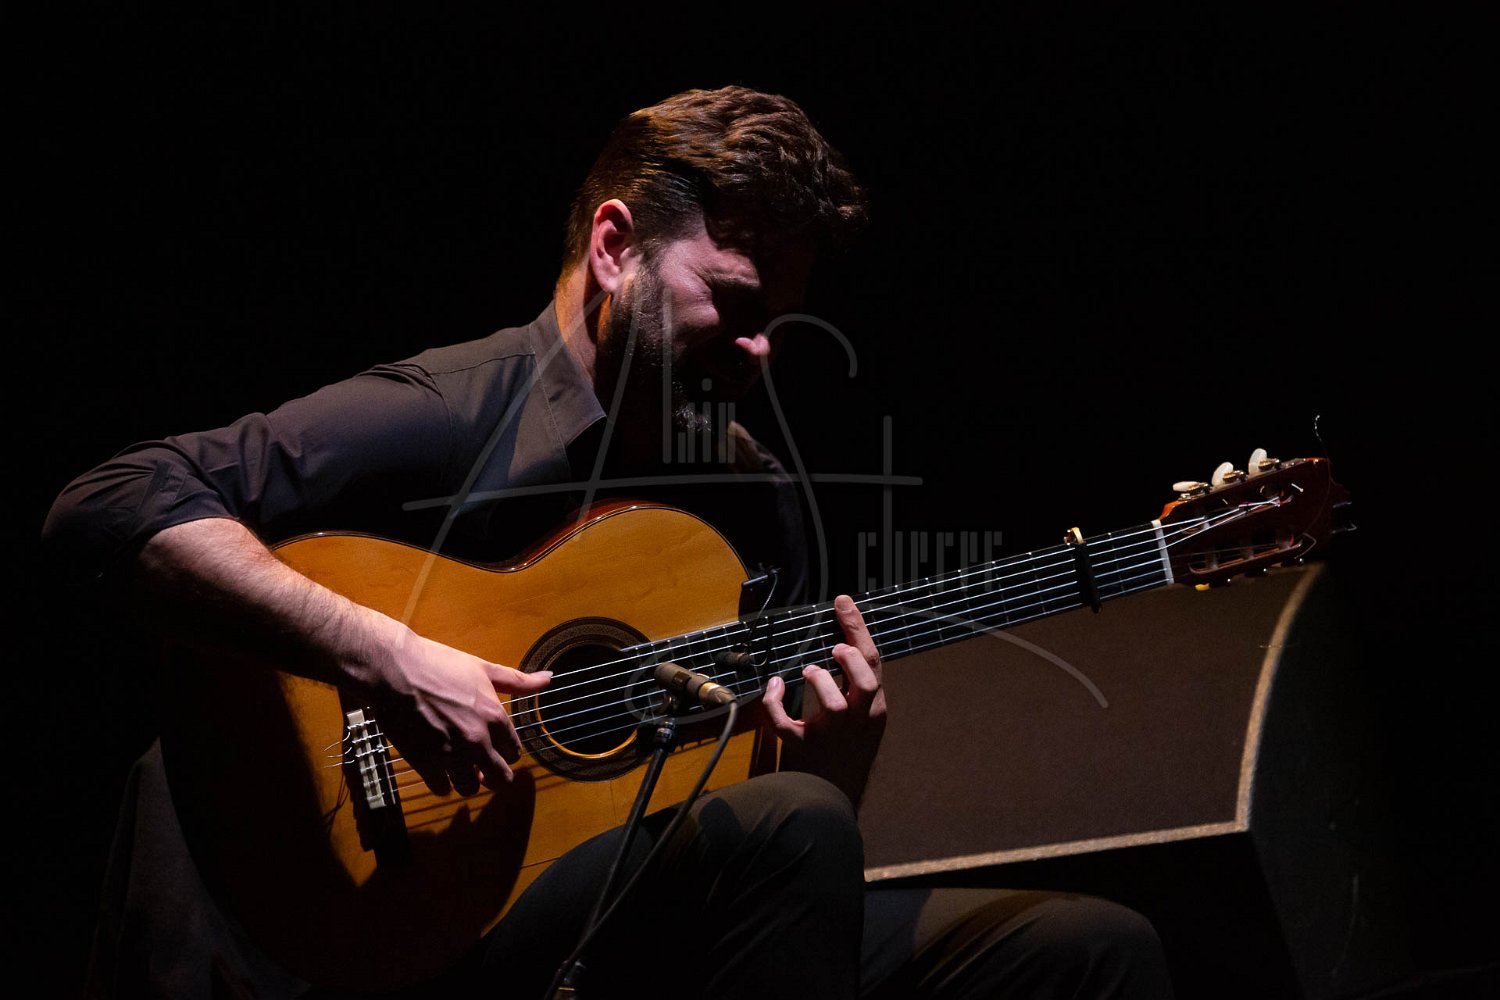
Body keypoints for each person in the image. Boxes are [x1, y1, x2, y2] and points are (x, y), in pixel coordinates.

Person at [43, 85, 1175, 999]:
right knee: (791, 829)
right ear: (616, 245)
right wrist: (388, 657)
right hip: (360, 928)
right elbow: (109, 501)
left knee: (1081, 950)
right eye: (733, 301)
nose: (761, 349)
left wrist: (827, 762)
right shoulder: (451, 409)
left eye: (777, 321)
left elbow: (747, 798)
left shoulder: (751, 497)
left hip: (605, 915)